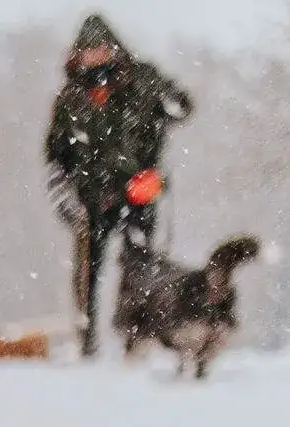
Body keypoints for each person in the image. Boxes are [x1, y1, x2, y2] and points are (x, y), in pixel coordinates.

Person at [46, 14, 192, 359]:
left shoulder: (142, 80)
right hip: (91, 198)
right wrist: (64, 196)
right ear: (78, 54)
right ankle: (87, 339)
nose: (95, 57)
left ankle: (136, 336)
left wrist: (166, 109)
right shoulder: (71, 98)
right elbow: (56, 155)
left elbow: (182, 105)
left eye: (100, 49)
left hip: (138, 192)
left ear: (113, 50)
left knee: (140, 266)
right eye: (88, 50)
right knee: (88, 272)